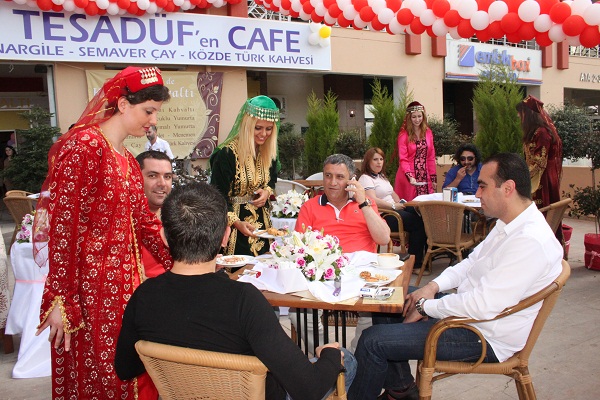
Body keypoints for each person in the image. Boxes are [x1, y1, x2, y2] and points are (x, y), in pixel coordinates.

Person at [348, 153, 563, 400]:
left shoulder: (529, 241)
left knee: (372, 341)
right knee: (385, 300)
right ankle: (402, 391)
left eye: (483, 186)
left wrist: (426, 306)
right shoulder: (509, 223)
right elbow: (470, 264)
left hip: (483, 335)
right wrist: (432, 288)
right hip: (468, 315)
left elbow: (483, 306)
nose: (478, 193)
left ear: (508, 188)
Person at [114, 182, 356, 400]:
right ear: (225, 237)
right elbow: (309, 389)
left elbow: (126, 368)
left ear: (164, 237)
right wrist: (330, 355)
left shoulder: (143, 296)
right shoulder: (244, 300)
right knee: (347, 357)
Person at [33, 66, 173, 400]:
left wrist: (184, 265)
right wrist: (60, 299)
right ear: (123, 104)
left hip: (125, 289)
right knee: (99, 374)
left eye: (155, 112)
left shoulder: (125, 158)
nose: (153, 121)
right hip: (88, 291)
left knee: (123, 371)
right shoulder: (84, 146)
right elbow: (64, 228)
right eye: (148, 111)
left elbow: (146, 224)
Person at [294, 154, 391, 351]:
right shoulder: (310, 206)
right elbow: (299, 248)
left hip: (362, 276)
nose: (332, 182)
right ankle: (325, 353)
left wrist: (364, 203)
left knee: (374, 315)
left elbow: (384, 239)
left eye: (339, 177)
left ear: (351, 179)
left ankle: (354, 356)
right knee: (298, 314)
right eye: (328, 176)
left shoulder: (366, 204)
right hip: (322, 276)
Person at [210, 95, 279, 256]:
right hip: (234, 226)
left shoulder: (268, 151)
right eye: (258, 128)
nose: (264, 134)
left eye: (269, 129)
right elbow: (216, 195)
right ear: (248, 125)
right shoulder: (226, 154)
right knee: (238, 272)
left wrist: (267, 191)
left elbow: (272, 178)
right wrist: (236, 222)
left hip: (262, 225)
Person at [358, 147, 426, 268]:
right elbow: (372, 201)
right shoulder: (365, 178)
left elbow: (392, 193)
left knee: (424, 216)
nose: (379, 162)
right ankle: (415, 263)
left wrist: (401, 203)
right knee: (417, 223)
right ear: (368, 162)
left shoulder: (381, 176)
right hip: (385, 215)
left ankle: (426, 255)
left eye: (381, 159)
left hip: (394, 208)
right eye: (375, 159)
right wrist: (394, 206)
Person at [517, 96, 563, 209]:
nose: (518, 116)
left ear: (528, 114)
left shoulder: (542, 133)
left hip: (543, 177)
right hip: (536, 174)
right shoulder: (534, 132)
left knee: (542, 209)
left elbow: (539, 162)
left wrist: (523, 176)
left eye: (520, 113)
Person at [136, 150, 173, 278]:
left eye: (167, 177)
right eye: (153, 176)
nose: (162, 183)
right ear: (136, 178)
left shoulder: (178, 217)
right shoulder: (127, 223)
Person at [394, 101, 437, 201]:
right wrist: (410, 176)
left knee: (427, 205)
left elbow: (431, 157)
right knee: (410, 206)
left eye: (419, 116)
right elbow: (403, 159)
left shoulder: (428, 133)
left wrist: (433, 178)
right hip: (408, 176)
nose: (417, 120)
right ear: (409, 118)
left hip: (425, 175)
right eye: (414, 117)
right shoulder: (403, 135)